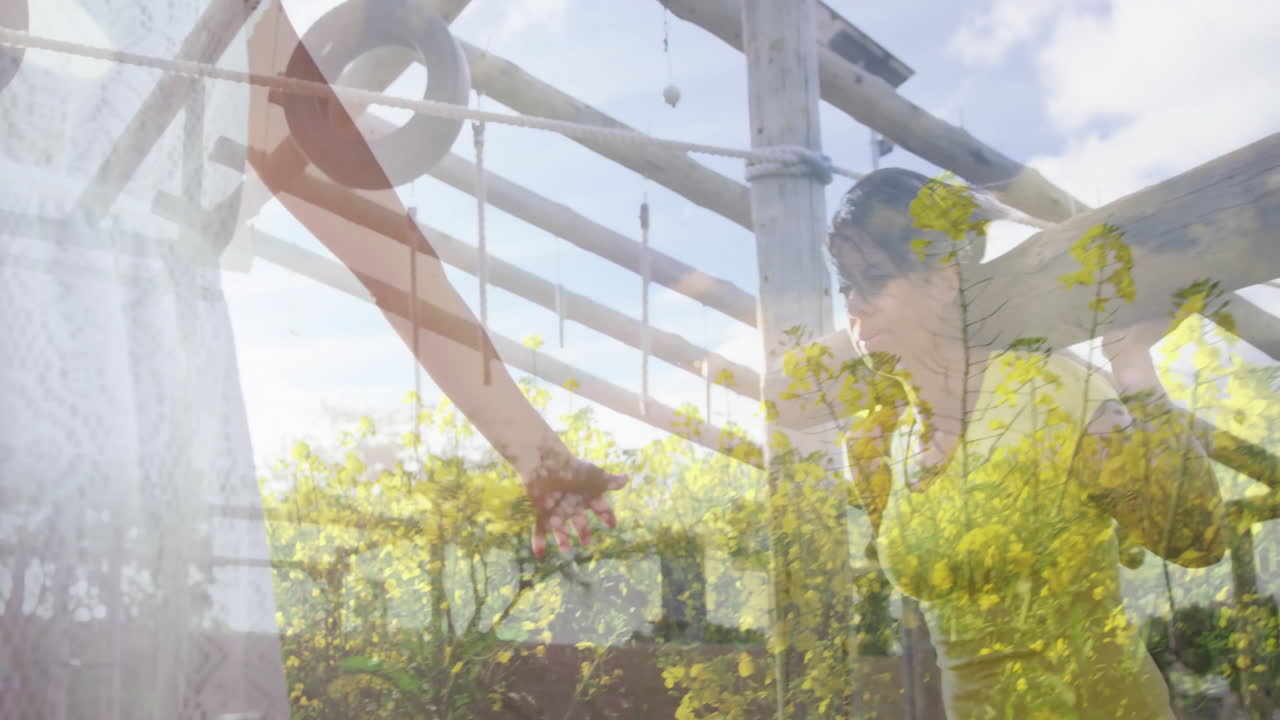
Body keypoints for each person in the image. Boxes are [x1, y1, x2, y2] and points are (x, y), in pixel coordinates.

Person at [0, 1, 623, 717]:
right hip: (119, 375)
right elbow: (388, 252)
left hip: (143, 401)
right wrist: (536, 454)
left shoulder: (230, 13)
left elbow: (383, 246)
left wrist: (535, 452)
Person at [828, 168, 1227, 719]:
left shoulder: (1049, 391)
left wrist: (1130, 363)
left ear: (944, 279)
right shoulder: (873, 445)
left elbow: (1195, 540)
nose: (855, 305)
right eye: (846, 284)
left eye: (875, 278)